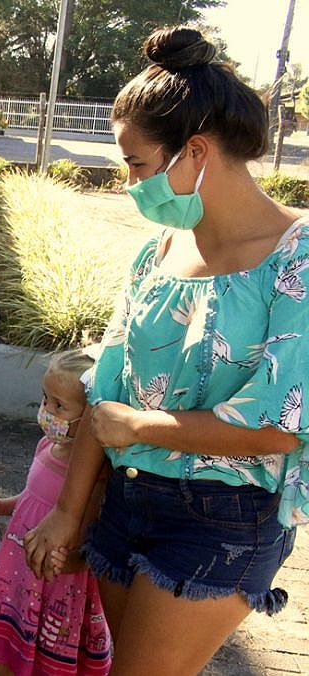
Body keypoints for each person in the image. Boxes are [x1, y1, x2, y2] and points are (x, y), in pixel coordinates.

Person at [23, 27, 307, 675]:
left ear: (196, 151)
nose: (130, 184)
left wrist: (139, 427)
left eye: (138, 165)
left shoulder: (300, 258)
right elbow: (107, 386)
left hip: (224, 518)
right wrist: (70, 512)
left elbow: (277, 426)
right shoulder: (159, 252)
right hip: (127, 503)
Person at [0, 349, 111, 676]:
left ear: (89, 417)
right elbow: (34, 497)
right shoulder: (47, 446)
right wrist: (3, 506)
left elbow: (90, 536)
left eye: (60, 405)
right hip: (18, 567)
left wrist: (69, 561)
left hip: (55, 581)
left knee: (40, 652)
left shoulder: (95, 475)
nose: (48, 410)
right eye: (46, 399)